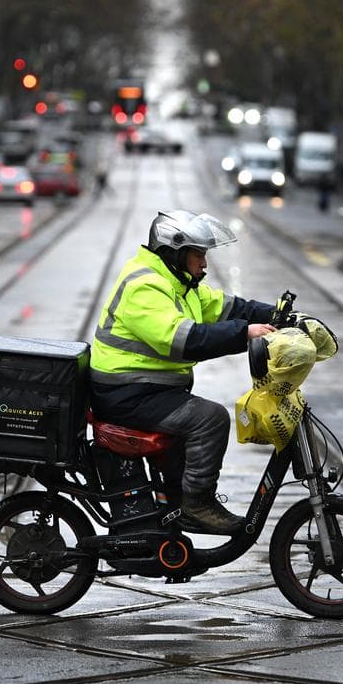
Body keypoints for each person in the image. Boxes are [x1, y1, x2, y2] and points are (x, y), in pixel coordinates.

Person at [89, 210, 276, 534]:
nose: (204, 263)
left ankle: (172, 499)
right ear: (176, 252)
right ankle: (197, 505)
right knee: (210, 418)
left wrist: (279, 314)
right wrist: (245, 333)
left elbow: (227, 306)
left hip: (145, 389)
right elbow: (183, 340)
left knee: (195, 419)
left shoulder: (177, 283)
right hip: (126, 393)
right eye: (199, 254)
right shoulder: (146, 285)